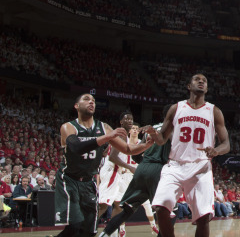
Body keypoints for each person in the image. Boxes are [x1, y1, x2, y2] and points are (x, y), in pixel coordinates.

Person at [54, 94, 152, 237]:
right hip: (69, 179)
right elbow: (76, 147)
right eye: (86, 99)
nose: (91, 102)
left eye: (93, 100)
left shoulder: (103, 127)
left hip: (89, 182)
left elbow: (128, 149)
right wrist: (107, 137)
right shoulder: (68, 127)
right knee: (74, 226)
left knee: (89, 231)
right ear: (76, 106)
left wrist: (148, 144)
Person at [146, 73, 230, 237]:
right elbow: (162, 139)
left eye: (204, 80)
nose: (201, 81)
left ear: (207, 88)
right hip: (175, 164)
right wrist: (154, 135)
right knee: (161, 208)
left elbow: (226, 144)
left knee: (203, 217)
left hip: (200, 166)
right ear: (188, 86)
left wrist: (216, 151)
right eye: (197, 79)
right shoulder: (176, 108)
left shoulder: (214, 111)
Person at [98, 107, 173, 237]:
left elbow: (135, 156)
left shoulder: (151, 128)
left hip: (142, 168)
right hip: (156, 169)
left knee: (125, 209)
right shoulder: (173, 128)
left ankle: (105, 234)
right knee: (168, 212)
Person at [98, 110, 137, 229]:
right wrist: (130, 167)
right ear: (121, 122)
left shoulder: (121, 134)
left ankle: (111, 229)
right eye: (127, 119)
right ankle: (86, 229)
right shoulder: (121, 135)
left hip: (114, 171)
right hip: (113, 171)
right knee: (103, 206)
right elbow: (113, 157)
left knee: (119, 205)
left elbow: (106, 152)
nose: (129, 121)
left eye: (131, 119)